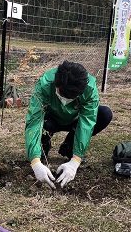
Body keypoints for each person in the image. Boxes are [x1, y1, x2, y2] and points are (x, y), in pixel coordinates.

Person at [25, 60, 112, 189]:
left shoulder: (89, 88)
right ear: (56, 84)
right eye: (63, 95)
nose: (66, 101)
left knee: (105, 114)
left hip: (74, 121)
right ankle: (42, 149)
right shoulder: (45, 85)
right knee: (44, 126)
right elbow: (34, 121)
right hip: (51, 119)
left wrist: (76, 161)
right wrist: (35, 162)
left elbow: (87, 123)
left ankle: (69, 147)